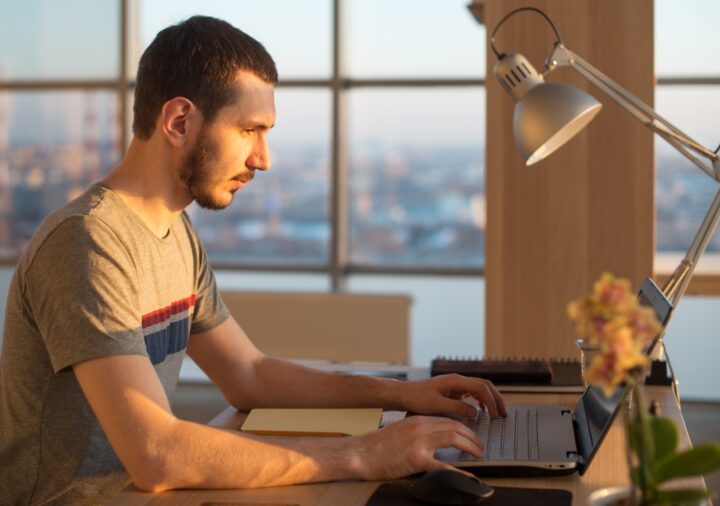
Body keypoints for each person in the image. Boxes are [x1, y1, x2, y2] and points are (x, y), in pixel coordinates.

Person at [0, 15, 506, 505]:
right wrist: (363, 454)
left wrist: (404, 396)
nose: (263, 158)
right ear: (178, 122)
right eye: (249, 130)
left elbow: (250, 375)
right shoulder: (86, 243)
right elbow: (158, 456)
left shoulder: (174, 231)